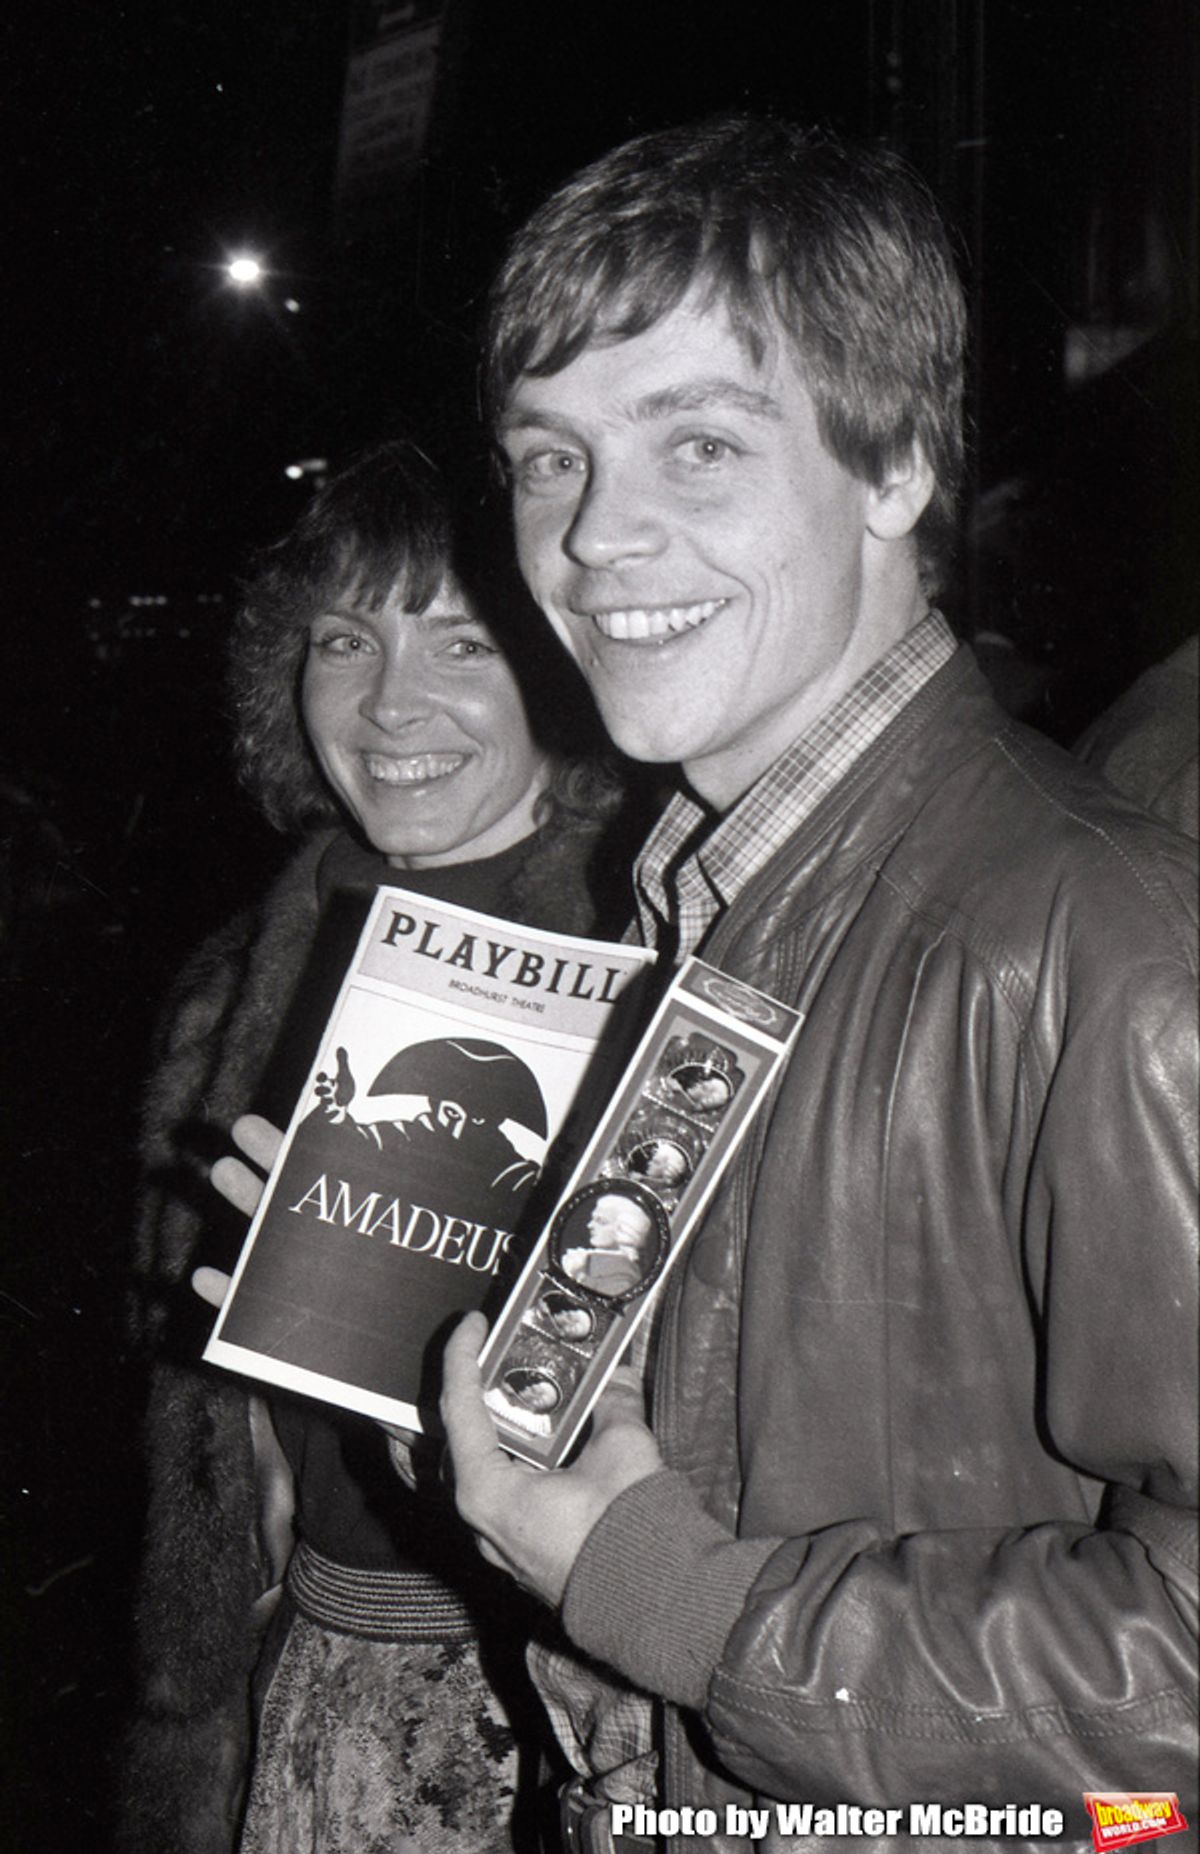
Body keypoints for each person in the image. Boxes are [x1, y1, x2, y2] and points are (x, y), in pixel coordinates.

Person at [438, 116, 1199, 1848]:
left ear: (894, 469)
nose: (591, 539)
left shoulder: (1105, 939)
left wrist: (692, 1607)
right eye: (549, 458)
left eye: (695, 445)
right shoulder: (697, 890)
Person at [121, 440, 640, 1854]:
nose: (389, 701)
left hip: (546, 1705)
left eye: (461, 638)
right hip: (293, 1675)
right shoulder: (245, 972)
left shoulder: (658, 959)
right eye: (343, 638)